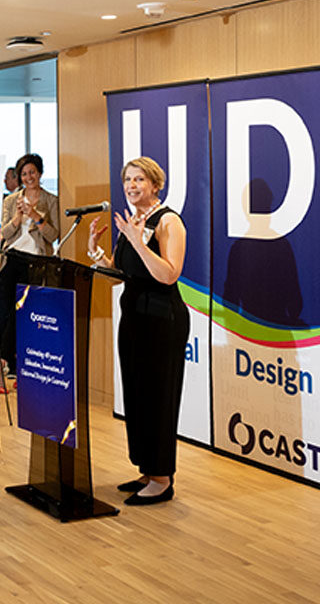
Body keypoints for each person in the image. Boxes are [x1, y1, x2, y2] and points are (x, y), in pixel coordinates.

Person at [88, 156, 188, 506]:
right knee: (137, 394)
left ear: (155, 184)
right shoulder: (132, 221)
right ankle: (147, 469)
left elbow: (168, 274)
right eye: (127, 180)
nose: (131, 186)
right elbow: (124, 273)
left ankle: (162, 478)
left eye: (139, 180)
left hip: (162, 319)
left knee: (158, 397)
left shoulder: (168, 221)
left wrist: (138, 241)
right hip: (133, 316)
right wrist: (97, 254)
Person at [0, 153, 59, 388]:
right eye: (24, 174)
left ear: (40, 173)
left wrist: (37, 217)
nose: (29, 177)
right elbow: (3, 234)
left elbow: (53, 235)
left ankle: (4, 367)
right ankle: (6, 367)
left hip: (36, 262)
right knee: (11, 316)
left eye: (32, 172)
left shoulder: (51, 200)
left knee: (28, 318)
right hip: (12, 260)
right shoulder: (10, 201)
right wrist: (18, 218)